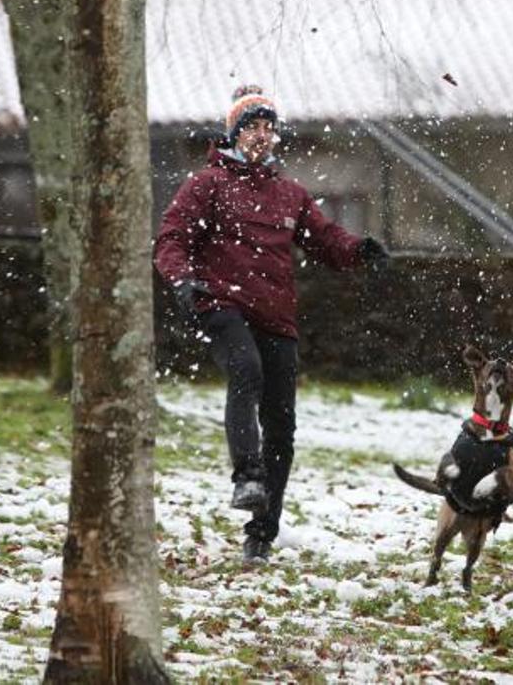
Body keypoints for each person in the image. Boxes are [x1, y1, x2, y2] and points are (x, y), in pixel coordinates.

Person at [154, 86, 390, 564]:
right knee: (246, 370)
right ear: (233, 134)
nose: (261, 135)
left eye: (268, 127)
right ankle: (247, 477)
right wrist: (182, 281)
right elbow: (170, 240)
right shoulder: (206, 185)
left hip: (276, 313)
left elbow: (326, 239)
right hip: (219, 303)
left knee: (281, 424)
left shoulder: (290, 194)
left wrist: (359, 250)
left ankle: (262, 532)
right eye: (251, 127)